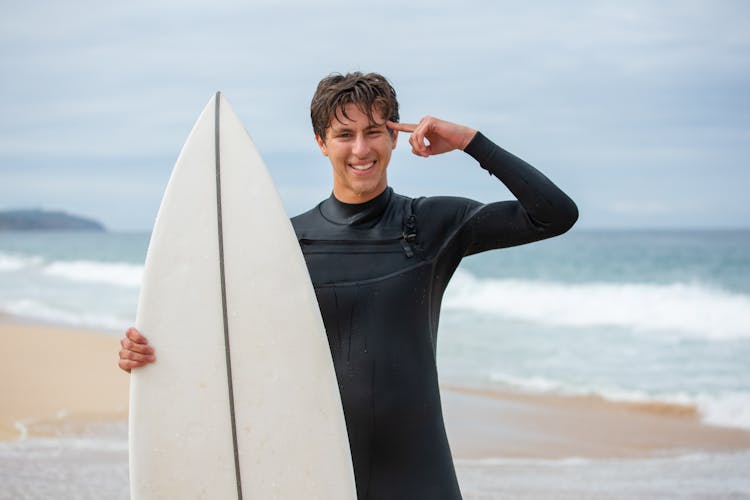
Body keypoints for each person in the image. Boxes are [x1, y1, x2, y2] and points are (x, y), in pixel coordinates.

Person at [119, 72, 578, 499]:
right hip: (311, 473)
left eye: (374, 131)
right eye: (344, 134)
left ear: (394, 138)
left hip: (418, 476)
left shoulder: (432, 225)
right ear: (321, 142)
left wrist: (468, 141)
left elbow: (554, 214)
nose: (361, 149)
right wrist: (152, 356)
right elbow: (227, 347)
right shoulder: (283, 243)